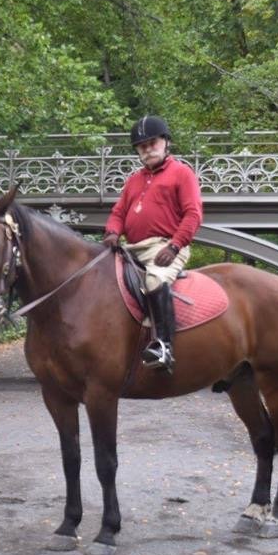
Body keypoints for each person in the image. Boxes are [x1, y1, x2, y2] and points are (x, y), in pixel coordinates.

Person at [103, 115, 203, 373]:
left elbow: (193, 214)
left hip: (164, 246)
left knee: (154, 280)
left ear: (166, 142)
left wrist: (174, 246)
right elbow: (118, 213)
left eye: (152, 143)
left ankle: (164, 346)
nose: (147, 149)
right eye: (142, 146)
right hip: (132, 248)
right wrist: (112, 232)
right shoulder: (133, 180)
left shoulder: (182, 173)